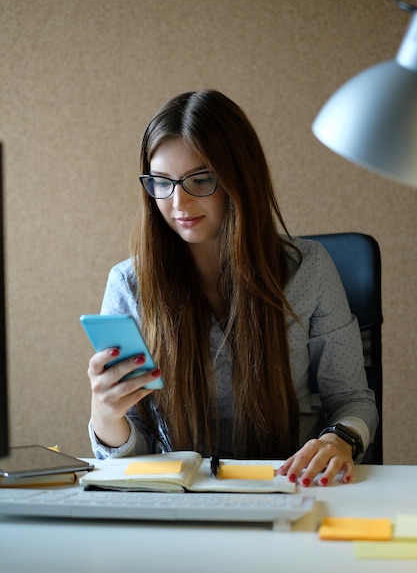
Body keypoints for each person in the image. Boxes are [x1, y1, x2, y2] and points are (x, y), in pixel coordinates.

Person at [87, 89, 378, 487]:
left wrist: (339, 439)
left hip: (290, 484)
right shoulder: (129, 285)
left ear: (240, 177)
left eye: (201, 179)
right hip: (178, 497)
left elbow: (352, 400)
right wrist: (106, 417)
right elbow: (135, 459)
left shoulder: (309, 269)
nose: (178, 202)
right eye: (162, 182)